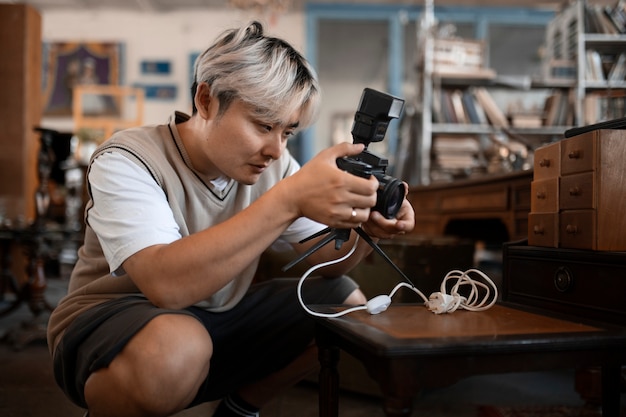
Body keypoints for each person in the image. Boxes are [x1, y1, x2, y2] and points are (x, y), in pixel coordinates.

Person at [47, 21, 415, 417]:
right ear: (206, 101)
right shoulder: (127, 159)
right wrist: (288, 200)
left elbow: (327, 264)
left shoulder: (274, 165)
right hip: (110, 322)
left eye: (288, 132)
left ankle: (239, 409)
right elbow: (165, 286)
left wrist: (364, 229)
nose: (276, 149)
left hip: (212, 318)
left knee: (342, 304)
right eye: (263, 125)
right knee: (177, 346)